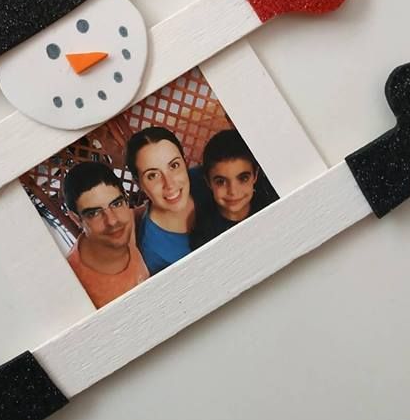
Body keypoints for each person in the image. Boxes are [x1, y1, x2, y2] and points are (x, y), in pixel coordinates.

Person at [63, 161, 149, 308]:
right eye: (94, 213)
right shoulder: (73, 282)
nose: (112, 221)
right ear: (76, 219)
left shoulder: (127, 222)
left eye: (116, 204)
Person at [125, 126, 208, 274]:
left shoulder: (208, 179)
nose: (169, 184)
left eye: (174, 166)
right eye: (153, 175)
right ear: (139, 184)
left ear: (184, 161)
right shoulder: (155, 252)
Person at [194, 129, 278, 244]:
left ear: (255, 175)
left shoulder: (271, 209)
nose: (233, 191)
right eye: (220, 181)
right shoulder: (204, 231)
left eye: (243, 178)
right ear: (208, 182)